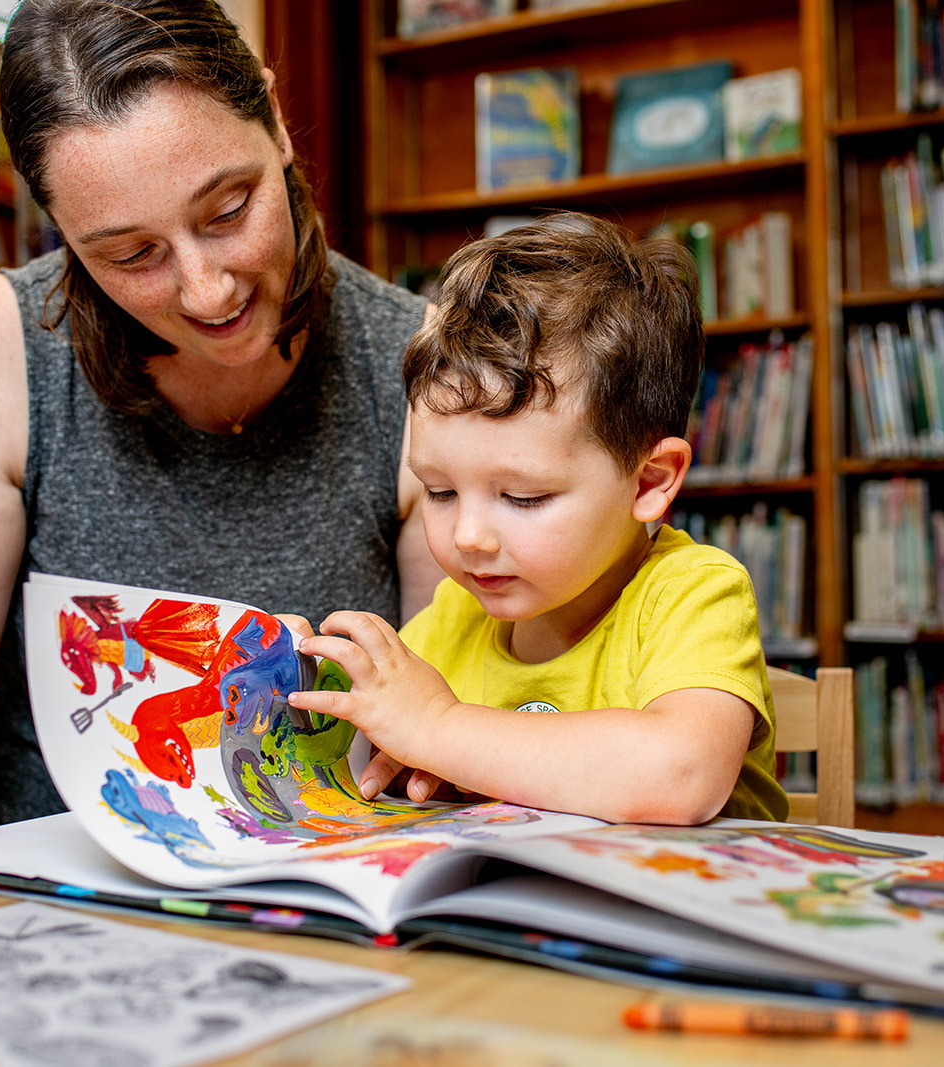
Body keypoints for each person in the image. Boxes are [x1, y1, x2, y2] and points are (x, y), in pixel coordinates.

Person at [0, 0, 442, 863]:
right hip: (49, 905)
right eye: (129, 254)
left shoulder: (424, 365)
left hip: (334, 887)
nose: (207, 290)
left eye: (228, 209)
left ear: (275, 118)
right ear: (62, 231)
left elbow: (458, 717)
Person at [289, 212, 788, 825]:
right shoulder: (453, 617)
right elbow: (378, 739)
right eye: (440, 492)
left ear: (650, 482)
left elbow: (681, 777)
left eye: (523, 499)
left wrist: (441, 726)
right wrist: (294, 675)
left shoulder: (694, 596)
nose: (468, 538)